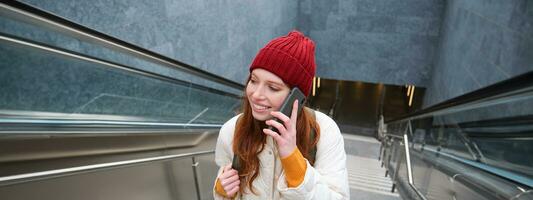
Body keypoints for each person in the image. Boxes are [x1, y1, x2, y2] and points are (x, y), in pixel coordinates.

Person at [213, 30, 349, 199]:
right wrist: (222, 191)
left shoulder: (324, 131)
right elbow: (226, 181)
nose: (256, 94)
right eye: (254, 81)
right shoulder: (232, 129)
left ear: (296, 97)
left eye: (273, 88)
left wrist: (293, 159)